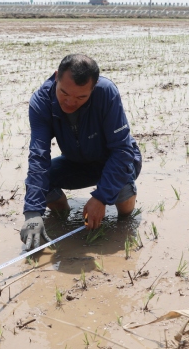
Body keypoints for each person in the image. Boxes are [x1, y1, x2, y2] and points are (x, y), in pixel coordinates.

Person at [20, 54, 142, 250]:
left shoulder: (106, 93)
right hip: (76, 162)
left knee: (124, 203)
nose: (70, 102)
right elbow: (38, 156)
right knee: (44, 181)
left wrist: (101, 198)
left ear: (94, 88)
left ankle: (123, 223)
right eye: (64, 93)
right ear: (56, 77)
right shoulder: (41, 101)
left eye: (81, 97)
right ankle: (62, 218)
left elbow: (122, 150)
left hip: (114, 160)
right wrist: (32, 212)